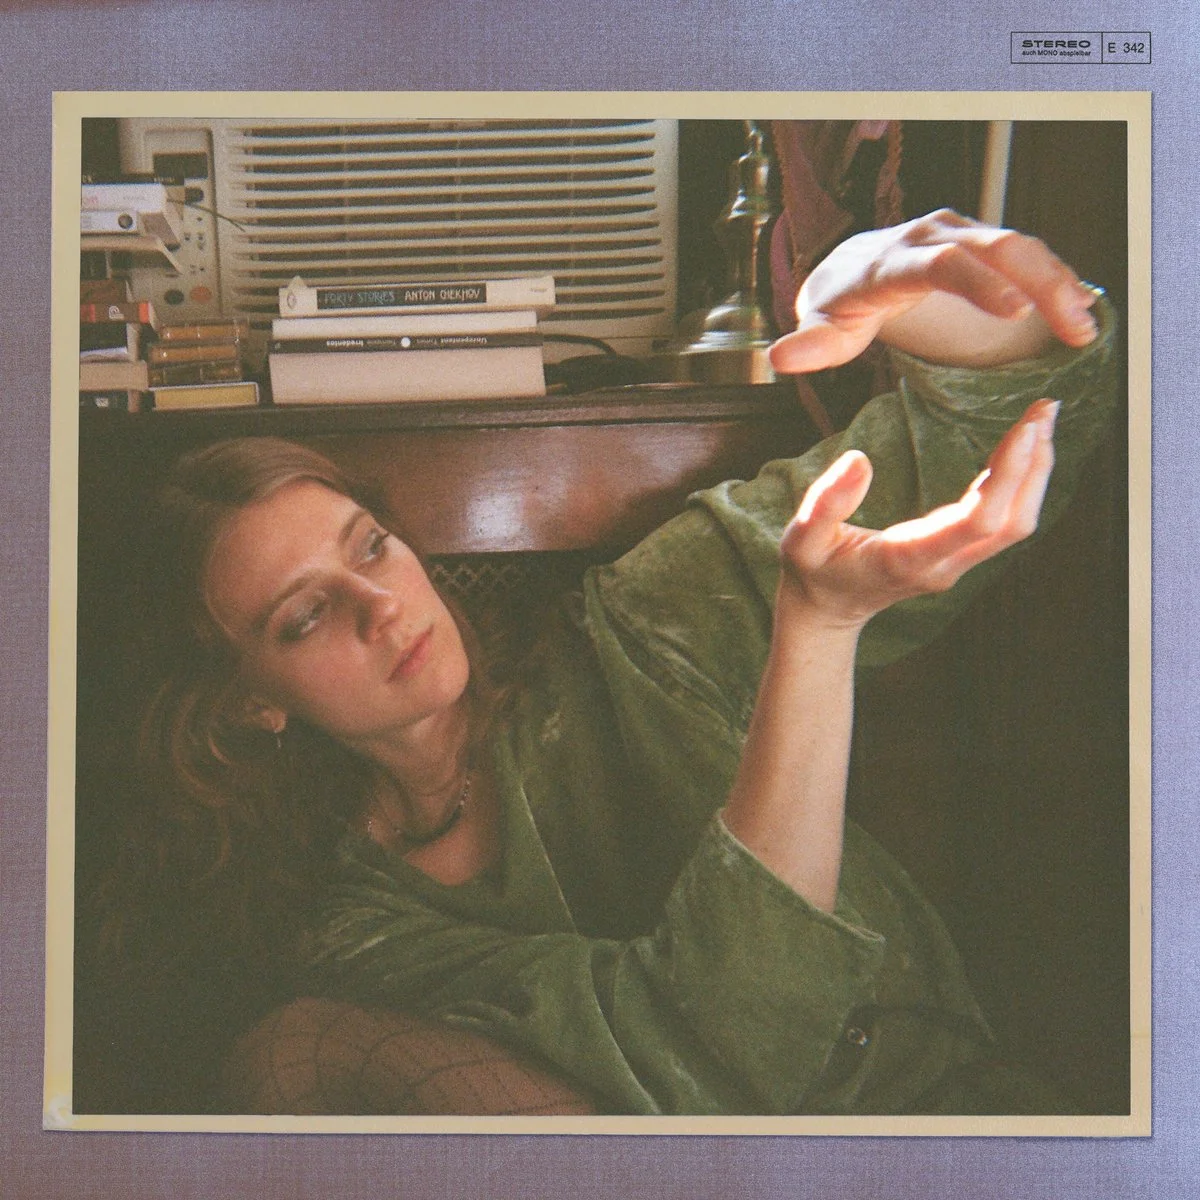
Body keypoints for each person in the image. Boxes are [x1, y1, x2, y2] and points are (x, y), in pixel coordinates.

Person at [112, 210, 1118, 1116]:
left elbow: (1019, 395)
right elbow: (727, 1059)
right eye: (305, 617)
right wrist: (816, 632)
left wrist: (894, 293)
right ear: (248, 705)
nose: (381, 606)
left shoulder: (638, 625)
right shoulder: (353, 927)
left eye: (371, 546)